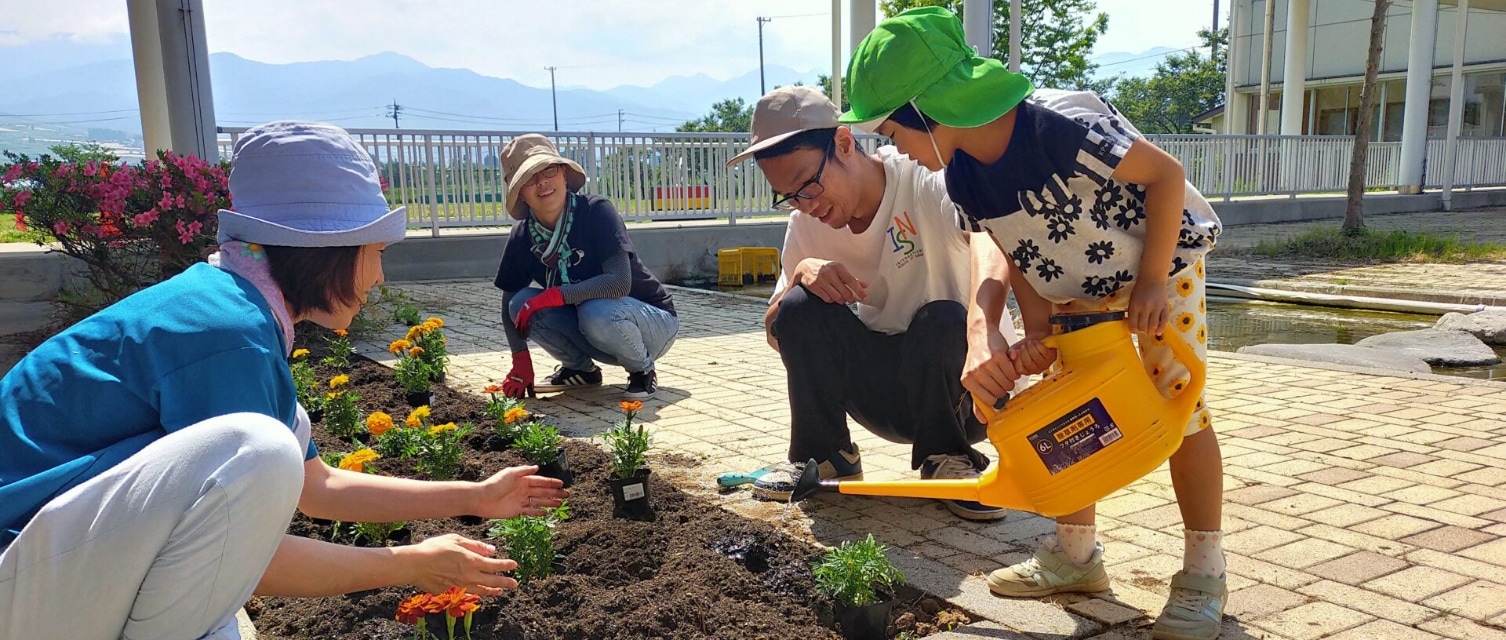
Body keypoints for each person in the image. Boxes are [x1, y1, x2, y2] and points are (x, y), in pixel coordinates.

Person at [0, 121, 570, 640]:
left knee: (269, 446)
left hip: (45, 561)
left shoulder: (229, 307)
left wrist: (476, 496)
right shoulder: (225, 333)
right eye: (373, 250)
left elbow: (316, 488)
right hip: (18, 585)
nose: (378, 274)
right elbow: (249, 561)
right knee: (261, 448)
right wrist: (413, 562)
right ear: (324, 252)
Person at [841, 8, 1227, 640]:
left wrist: (1153, 281)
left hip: (1161, 269)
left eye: (892, 129)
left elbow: (1165, 177)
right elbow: (1012, 245)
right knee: (1071, 415)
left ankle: (1204, 572)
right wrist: (1035, 329)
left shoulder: (1057, 125)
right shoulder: (961, 174)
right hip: (1075, 293)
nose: (892, 148)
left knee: (1181, 410)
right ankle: (1076, 557)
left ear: (929, 110)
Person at [728, 86, 1020, 521]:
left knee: (942, 318)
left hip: (966, 391)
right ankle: (824, 456)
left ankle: (948, 459)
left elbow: (990, 239)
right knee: (798, 307)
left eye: (808, 185)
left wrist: (983, 328)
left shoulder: (921, 180)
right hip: (884, 393)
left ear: (844, 143)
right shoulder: (805, 223)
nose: (806, 206)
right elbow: (778, 331)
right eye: (788, 195)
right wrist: (803, 274)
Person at [493, 134, 678, 400]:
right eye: (530, 178)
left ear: (565, 176)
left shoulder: (596, 212)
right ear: (520, 192)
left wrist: (554, 295)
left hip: (651, 323)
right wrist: (520, 358)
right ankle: (581, 371)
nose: (542, 182)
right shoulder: (523, 236)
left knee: (595, 309)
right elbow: (509, 302)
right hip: (591, 326)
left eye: (549, 170)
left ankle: (642, 370)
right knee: (520, 303)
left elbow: (618, 282)